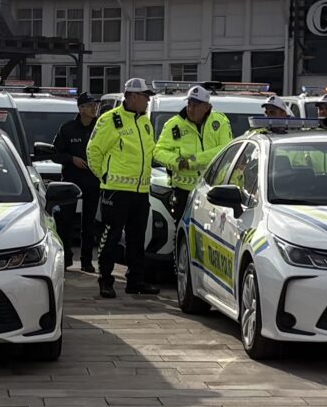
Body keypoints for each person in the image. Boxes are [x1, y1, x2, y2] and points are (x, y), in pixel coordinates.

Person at [86, 77, 158, 299]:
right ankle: (105, 280)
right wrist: (104, 176)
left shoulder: (145, 122)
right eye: (145, 97)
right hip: (116, 190)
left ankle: (135, 280)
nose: (147, 101)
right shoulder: (110, 120)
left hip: (141, 191)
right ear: (133, 96)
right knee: (110, 236)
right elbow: (93, 151)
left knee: (137, 238)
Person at [153, 85, 232, 221]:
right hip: (184, 191)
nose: (191, 108)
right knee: (181, 233)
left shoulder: (220, 121)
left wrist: (192, 162)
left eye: (196, 105)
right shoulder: (174, 125)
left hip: (213, 191)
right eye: (189, 103)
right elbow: (158, 152)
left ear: (207, 107)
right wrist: (177, 162)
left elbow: (225, 149)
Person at [52, 93, 103, 271]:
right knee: (65, 221)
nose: (94, 108)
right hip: (71, 182)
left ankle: (87, 261)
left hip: (93, 181)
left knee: (89, 224)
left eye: (95, 105)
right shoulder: (68, 129)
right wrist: (71, 159)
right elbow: (55, 155)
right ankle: (65, 258)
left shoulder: (100, 128)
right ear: (81, 109)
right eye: (90, 105)